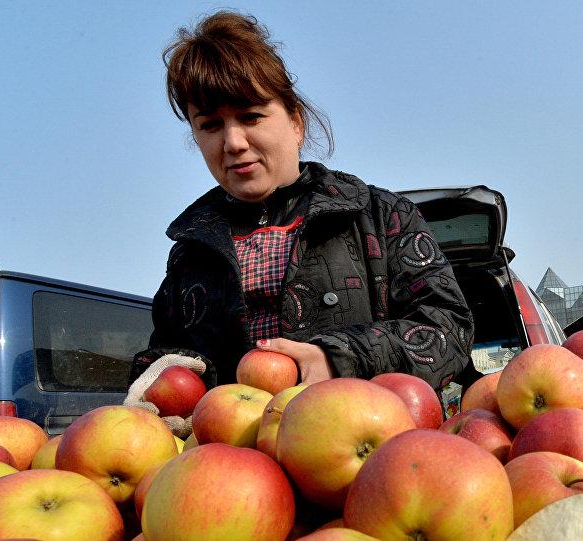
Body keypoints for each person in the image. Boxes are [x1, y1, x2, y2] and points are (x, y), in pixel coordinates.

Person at [124, 11, 474, 436]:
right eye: (211, 125)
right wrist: (157, 385)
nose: (233, 143)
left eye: (251, 116)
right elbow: (166, 357)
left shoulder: (382, 217)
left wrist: (339, 357)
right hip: (233, 477)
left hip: (368, 459)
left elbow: (447, 328)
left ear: (295, 121)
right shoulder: (191, 252)